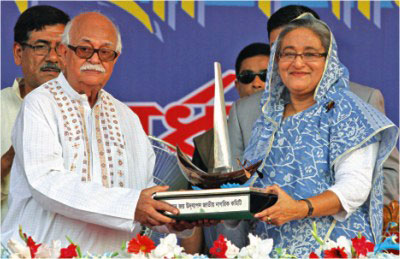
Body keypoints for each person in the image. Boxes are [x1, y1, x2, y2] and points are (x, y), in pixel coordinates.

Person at [1, 12, 205, 254]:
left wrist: (174, 219)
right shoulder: (39, 103)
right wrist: (132, 205)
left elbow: (143, 190)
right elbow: (46, 182)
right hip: (45, 253)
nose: (95, 59)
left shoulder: (126, 116)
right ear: (65, 53)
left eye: (105, 52)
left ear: (115, 60)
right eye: (85, 49)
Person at [243, 14, 397, 256]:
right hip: (270, 248)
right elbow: (251, 185)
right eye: (289, 53)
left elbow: (354, 188)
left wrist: (298, 208)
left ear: (329, 60)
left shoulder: (349, 110)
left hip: (333, 248)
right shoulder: (267, 118)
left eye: (310, 54)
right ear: (276, 60)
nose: (298, 63)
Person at [181, 43, 270, 254]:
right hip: (228, 248)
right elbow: (195, 211)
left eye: (265, 76)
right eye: (248, 77)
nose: (257, 83)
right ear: (237, 84)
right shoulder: (209, 144)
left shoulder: (297, 133)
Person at [1, 5, 70, 222]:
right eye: (41, 47)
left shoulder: (89, 112)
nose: (53, 58)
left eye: (62, 48)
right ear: (18, 53)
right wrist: (12, 155)